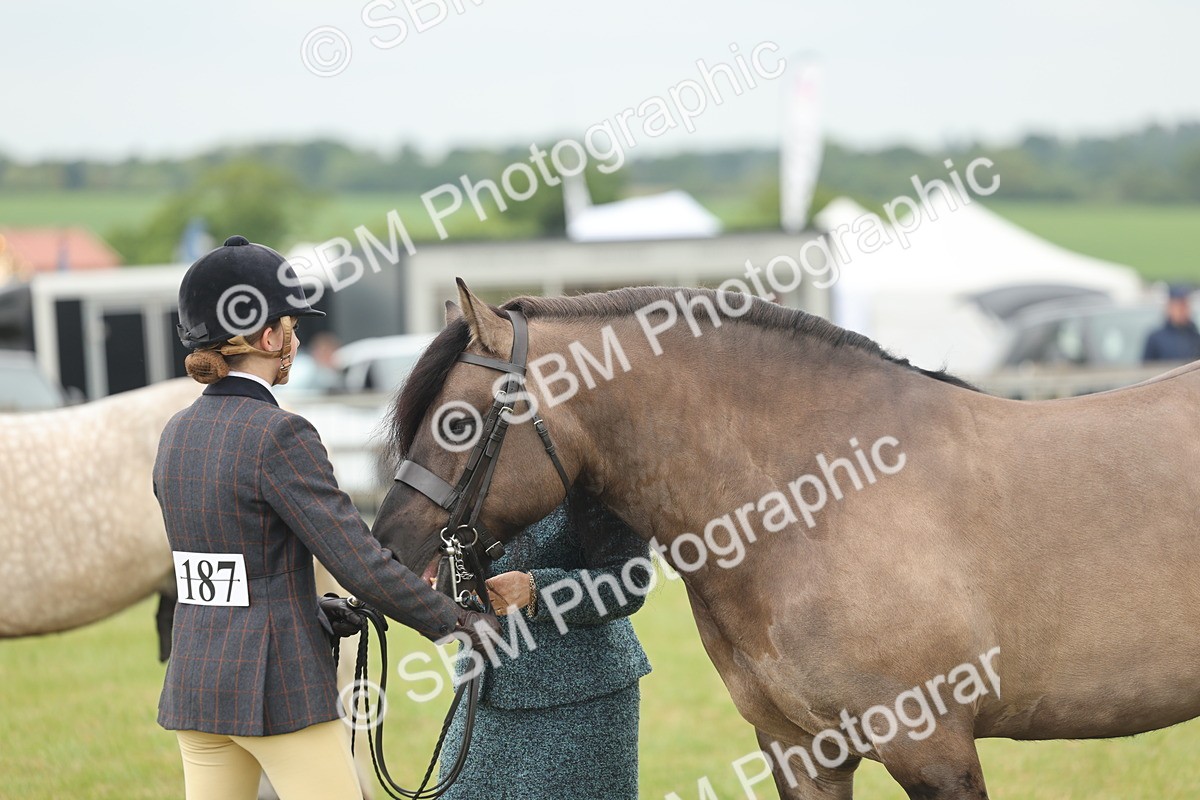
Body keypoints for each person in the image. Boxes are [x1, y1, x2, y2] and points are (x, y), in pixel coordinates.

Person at [153, 234, 497, 800]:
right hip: (276, 689)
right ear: (268, 336)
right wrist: (456, 621)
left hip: (197, 686)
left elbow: (225, 565)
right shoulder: (279, 434)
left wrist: (309, 607)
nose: (295, 337)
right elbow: (360, 562)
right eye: (290, 325)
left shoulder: (176, 434)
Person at [437, 493, 654, 800]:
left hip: (582, 702)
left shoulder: (594, 482)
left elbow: (629, 581)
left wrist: (536, 589)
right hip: (482, 697)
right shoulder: (477, 474)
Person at [1143, 285, 1200, 363]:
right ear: (1169, 307)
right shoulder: (1155, 338)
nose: (1181, 310)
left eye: (1184, 305)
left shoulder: (1195, 337)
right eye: (1177, 306)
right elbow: (1145, 369)